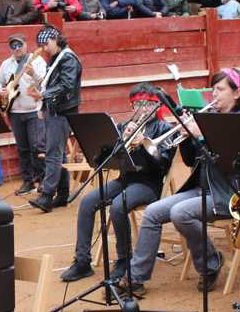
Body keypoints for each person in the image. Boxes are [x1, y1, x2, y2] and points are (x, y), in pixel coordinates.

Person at [125, 69, 240, 293]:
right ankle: (135, 278)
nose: (214, 94)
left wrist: (201, 135)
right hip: (201, 189)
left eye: (220, 89)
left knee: (180, 213)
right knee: (153, 212)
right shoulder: (211, 118)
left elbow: (229, 160)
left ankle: (210, 263)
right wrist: (186, 137)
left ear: (236, 93)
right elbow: (190, 160)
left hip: (228, 194)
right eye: (213, 89)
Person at [59, 85, 178, 283]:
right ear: (132, 106)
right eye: (138, 104)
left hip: (149, 184)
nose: (143, 108)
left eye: (148, 104)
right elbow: (113, 161)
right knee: (88, 202)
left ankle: (124, 259)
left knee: (118, 205)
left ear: (157, 106)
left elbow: (162, 165)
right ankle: (82, 261)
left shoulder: (164, 128)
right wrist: (121, 142)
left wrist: (143, 145)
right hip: (125, 179)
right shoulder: (124, 126)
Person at [28, 26, 81, 213]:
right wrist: (44, 103)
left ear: (55, 40)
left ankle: (47, 195)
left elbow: (66, 85)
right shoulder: (60, 57)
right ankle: (62, 194)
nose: (44, 48)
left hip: (62, 112)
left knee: (53, 154)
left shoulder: (67, 59)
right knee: (59, 153)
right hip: (58, 110)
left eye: (46, 44)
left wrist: (43, 96)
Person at [0, 34, 48, 195]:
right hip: (14, 111)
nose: (17, 48)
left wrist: (33, 73)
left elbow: (45, 82)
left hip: (34, 110)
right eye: (13, 46)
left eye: (19, 45)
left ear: (25, 45)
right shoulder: (6, 64)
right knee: (22, 149)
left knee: (37, 146)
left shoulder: (37, 61)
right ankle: (28, 181)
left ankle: (43, 180)